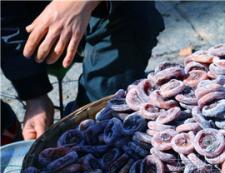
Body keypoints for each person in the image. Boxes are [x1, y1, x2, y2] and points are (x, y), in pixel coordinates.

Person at [1, 1, 164, 141]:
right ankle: (7, 128)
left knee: (100, 116)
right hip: (26, 17)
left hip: (107, 10)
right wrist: (33, 94)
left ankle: (90, 111)